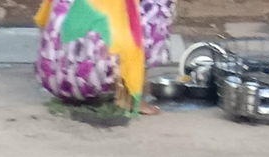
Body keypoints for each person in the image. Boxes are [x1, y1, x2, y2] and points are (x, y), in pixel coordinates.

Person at [34, 0, 175, 114]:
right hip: (90, 80)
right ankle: (130, 97)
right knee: (158, 5)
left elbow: (44, 18)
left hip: (52, 77)